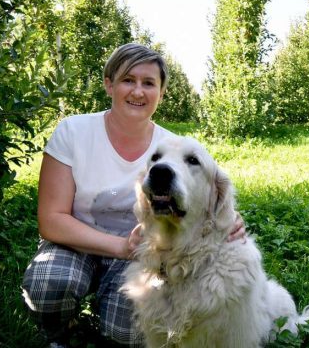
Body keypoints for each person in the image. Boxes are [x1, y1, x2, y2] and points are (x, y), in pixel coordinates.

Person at [21, 43, 245, 347]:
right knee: (49, 284)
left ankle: (105, 313)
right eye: (128, 79)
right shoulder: (73, 131)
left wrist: (229, 219)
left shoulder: (170, 147)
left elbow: (202, 192)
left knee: (128, 331)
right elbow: (51, 220)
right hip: (76, 244)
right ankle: (61, 335)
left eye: (149, 83)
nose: (138, 91)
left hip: (141, 252)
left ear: (161, 93)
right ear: (109, 84)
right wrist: (120, 246)